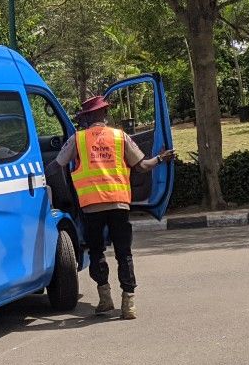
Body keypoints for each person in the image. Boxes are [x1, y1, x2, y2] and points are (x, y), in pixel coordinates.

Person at [56, 95, 175, 319]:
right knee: (124, 253)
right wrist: (161, 159)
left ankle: (105, 299)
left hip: (92, 207)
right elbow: (142, 166)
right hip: (119, 203)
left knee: (97, 251)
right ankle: (128, 304)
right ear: (105, 115)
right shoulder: (121, 137)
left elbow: (57, 165)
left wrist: (37, 177)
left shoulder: (77, 139)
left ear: (87, 117)